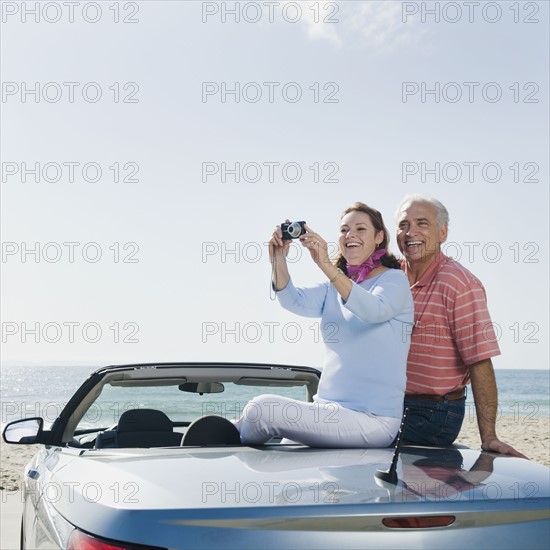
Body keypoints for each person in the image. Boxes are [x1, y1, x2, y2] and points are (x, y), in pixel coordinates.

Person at [236, 202, 414, 448]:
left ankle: (230, 434)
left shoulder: (394, 280)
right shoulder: (334, 288)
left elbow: (373, 310)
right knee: (273, 452)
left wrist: (325, 265)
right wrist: (278, 260)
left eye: (360, 229)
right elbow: (292, 301)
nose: (350, 235)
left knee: (262, 409)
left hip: (373, 420)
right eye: (344, 230)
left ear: (379, 237)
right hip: (328, 413)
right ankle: (228, 432)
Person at [395, 194, 526, 457]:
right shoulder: (389, 276)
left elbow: (480, 361)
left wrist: (489, 436)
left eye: (422, 223)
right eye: (403, 224)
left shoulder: (459, 284)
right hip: (390, 404)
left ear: (442, 233)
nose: (411, 232)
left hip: (433, 413)